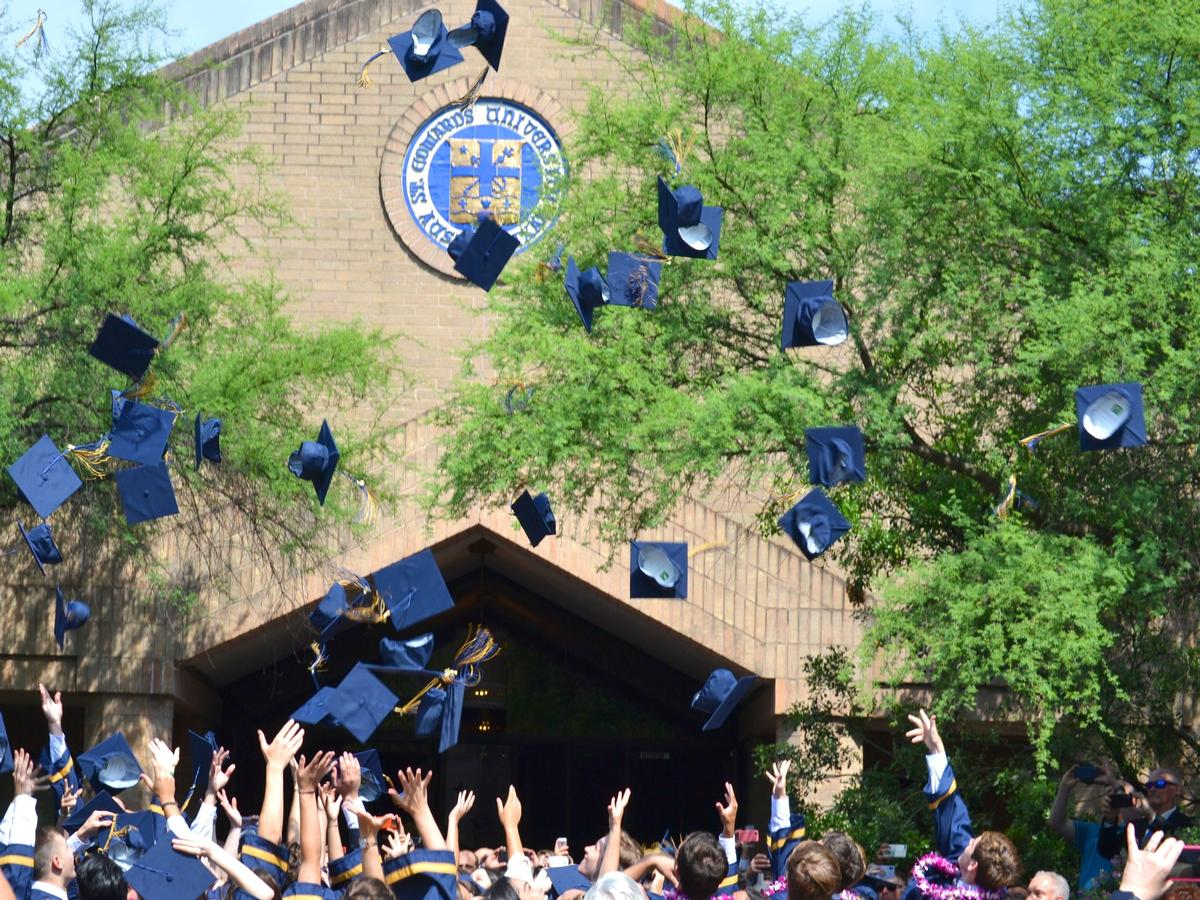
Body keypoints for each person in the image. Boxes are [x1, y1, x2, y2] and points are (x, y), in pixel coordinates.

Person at [901, 709, 1022, 900]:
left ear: (973, 865)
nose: (968, 841)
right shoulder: (964, 866)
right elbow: (954, 821)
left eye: (972, 843)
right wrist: (936, 750)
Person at [1048, 765, 1121, 889]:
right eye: (1110, 793)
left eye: (1118, 794)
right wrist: (1064, 788)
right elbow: (1057, 823)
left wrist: (1116, 784)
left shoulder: (1138, 834)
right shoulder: (1092, 831)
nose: (1112, 798)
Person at [1099, 768, 1194, 859]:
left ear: (1177, 790)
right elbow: (1108, 852)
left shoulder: (1189, 825)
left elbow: (1180, 847)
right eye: (1149, 785)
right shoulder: (1135, 826)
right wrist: (1110, 821)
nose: (1152, 789)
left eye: (1160, 784)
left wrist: (1152, 816)